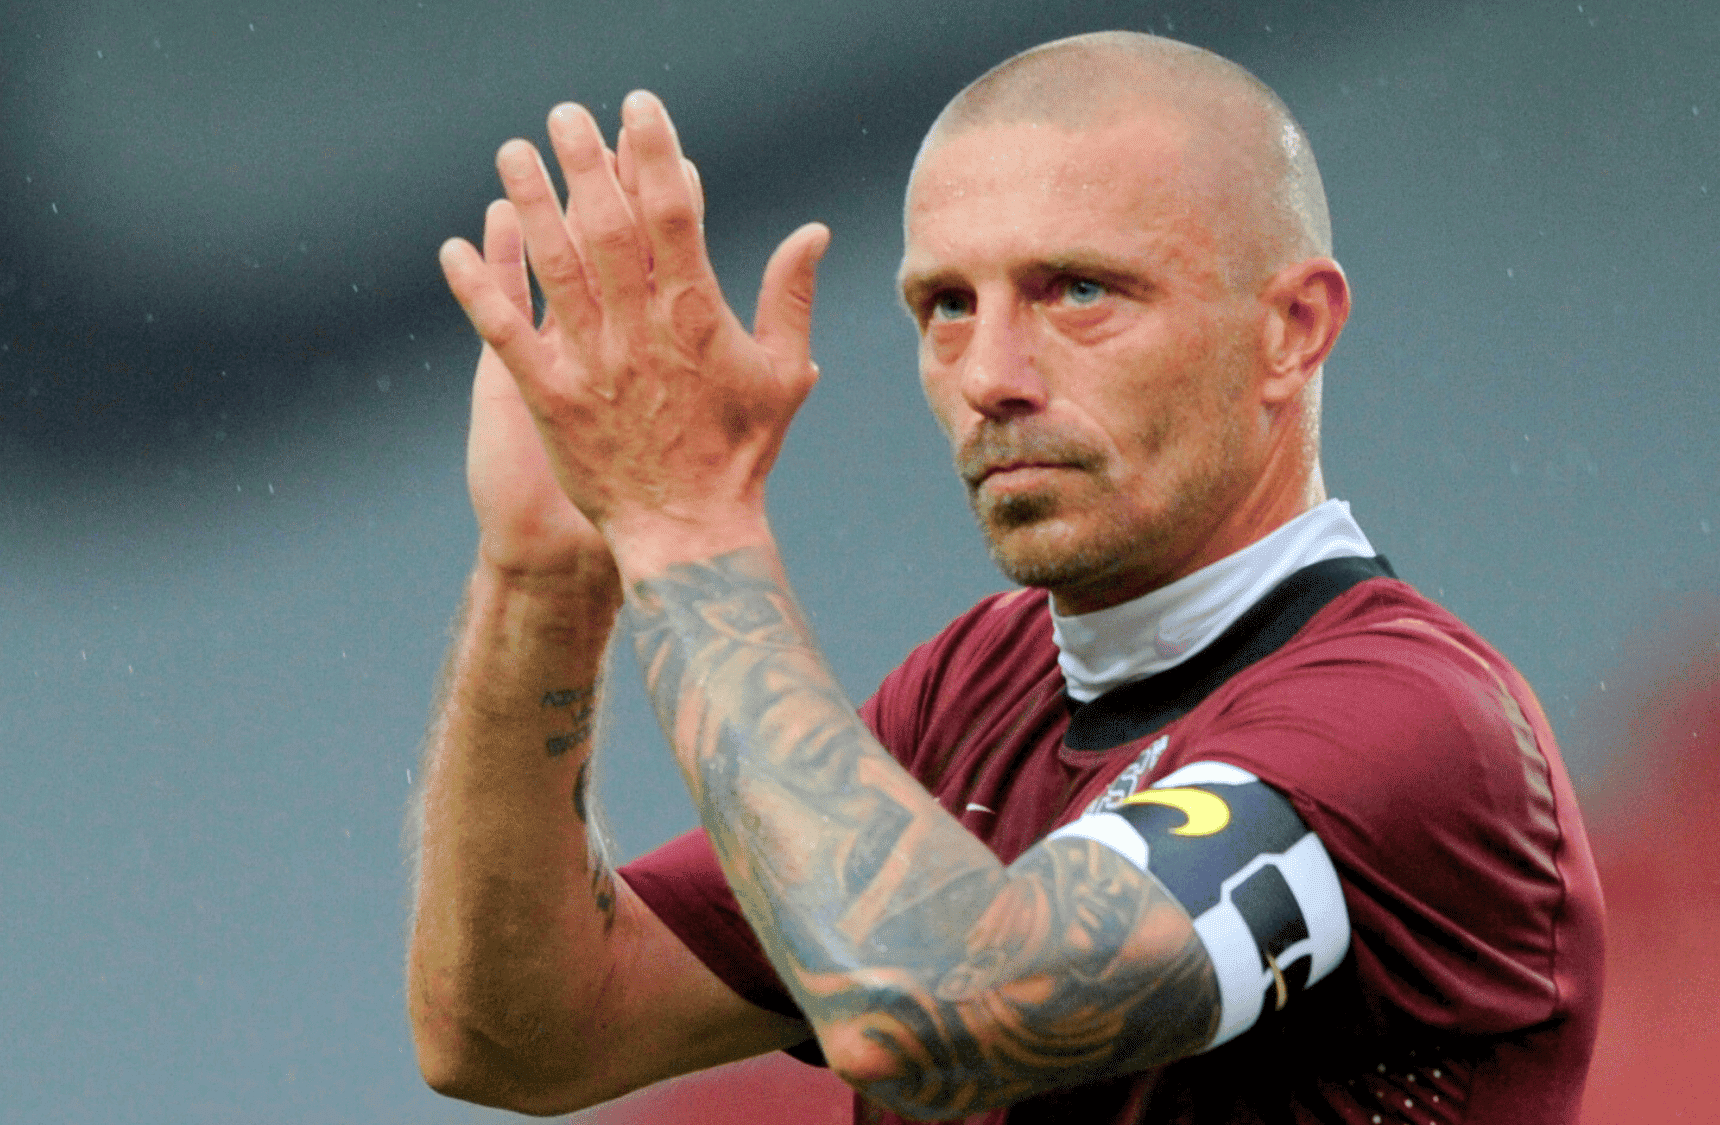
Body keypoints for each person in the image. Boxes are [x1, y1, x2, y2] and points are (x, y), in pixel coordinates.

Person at [407, 30, 1605, 1125]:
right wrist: (548, 578)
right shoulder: (974, 684)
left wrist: (683, 526)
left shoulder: (1406, 722)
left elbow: (928, 1013)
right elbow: (523, 1038)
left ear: (1289, 329)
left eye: (1076, 290)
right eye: (942, 305)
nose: (988, 373)